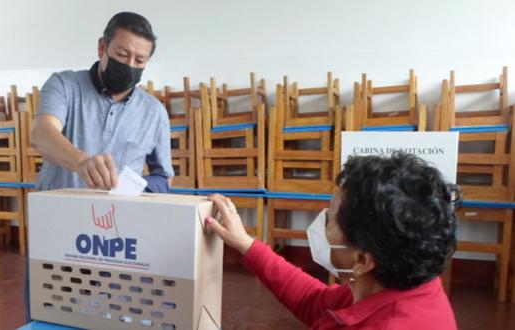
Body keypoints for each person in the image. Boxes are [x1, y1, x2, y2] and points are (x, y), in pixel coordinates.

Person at [206, 152, 459, 329]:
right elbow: (314, 302)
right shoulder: (400, 286)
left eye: (330, 220)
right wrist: (245, 244)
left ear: (361, 259)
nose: (321, 224)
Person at [31, 12, 173, 192]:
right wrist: (81, 162)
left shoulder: (154, 111)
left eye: (139, 60)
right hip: (58, 210)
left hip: (117, 215)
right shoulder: (64, 85)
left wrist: (133, 190)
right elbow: (41, 133)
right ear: (102, 47)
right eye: (122, 54)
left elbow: (164, 177)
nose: (129, 65)